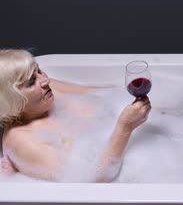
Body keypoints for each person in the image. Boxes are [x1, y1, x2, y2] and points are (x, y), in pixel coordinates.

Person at [0, 49, 152, 182]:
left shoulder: (48, 92)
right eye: (31, 82)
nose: (45, 80)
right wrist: (125, 127)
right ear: (11, 99)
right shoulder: (21, 141)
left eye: (39, 70)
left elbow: (99, 92)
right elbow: (90, 178)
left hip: (145, 143)